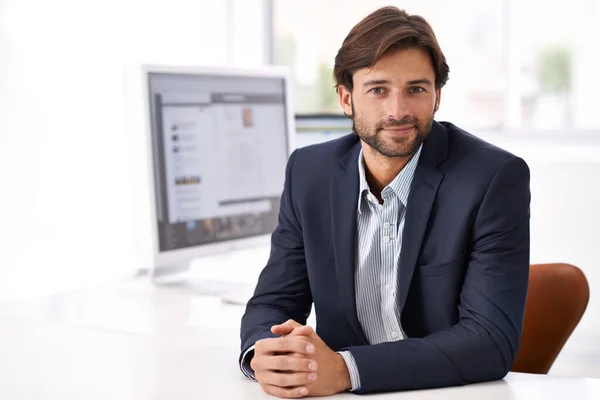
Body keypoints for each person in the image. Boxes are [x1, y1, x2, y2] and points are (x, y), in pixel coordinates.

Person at [239, 6, 530, 398]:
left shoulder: (492, 179)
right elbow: (273, 303)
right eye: (378, 89)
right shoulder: (309, 173)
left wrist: (346, 370)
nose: (398, 111)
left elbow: (490, 341)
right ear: (346, 98)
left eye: (416, 89)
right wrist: (266, 354)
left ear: (437, 96)